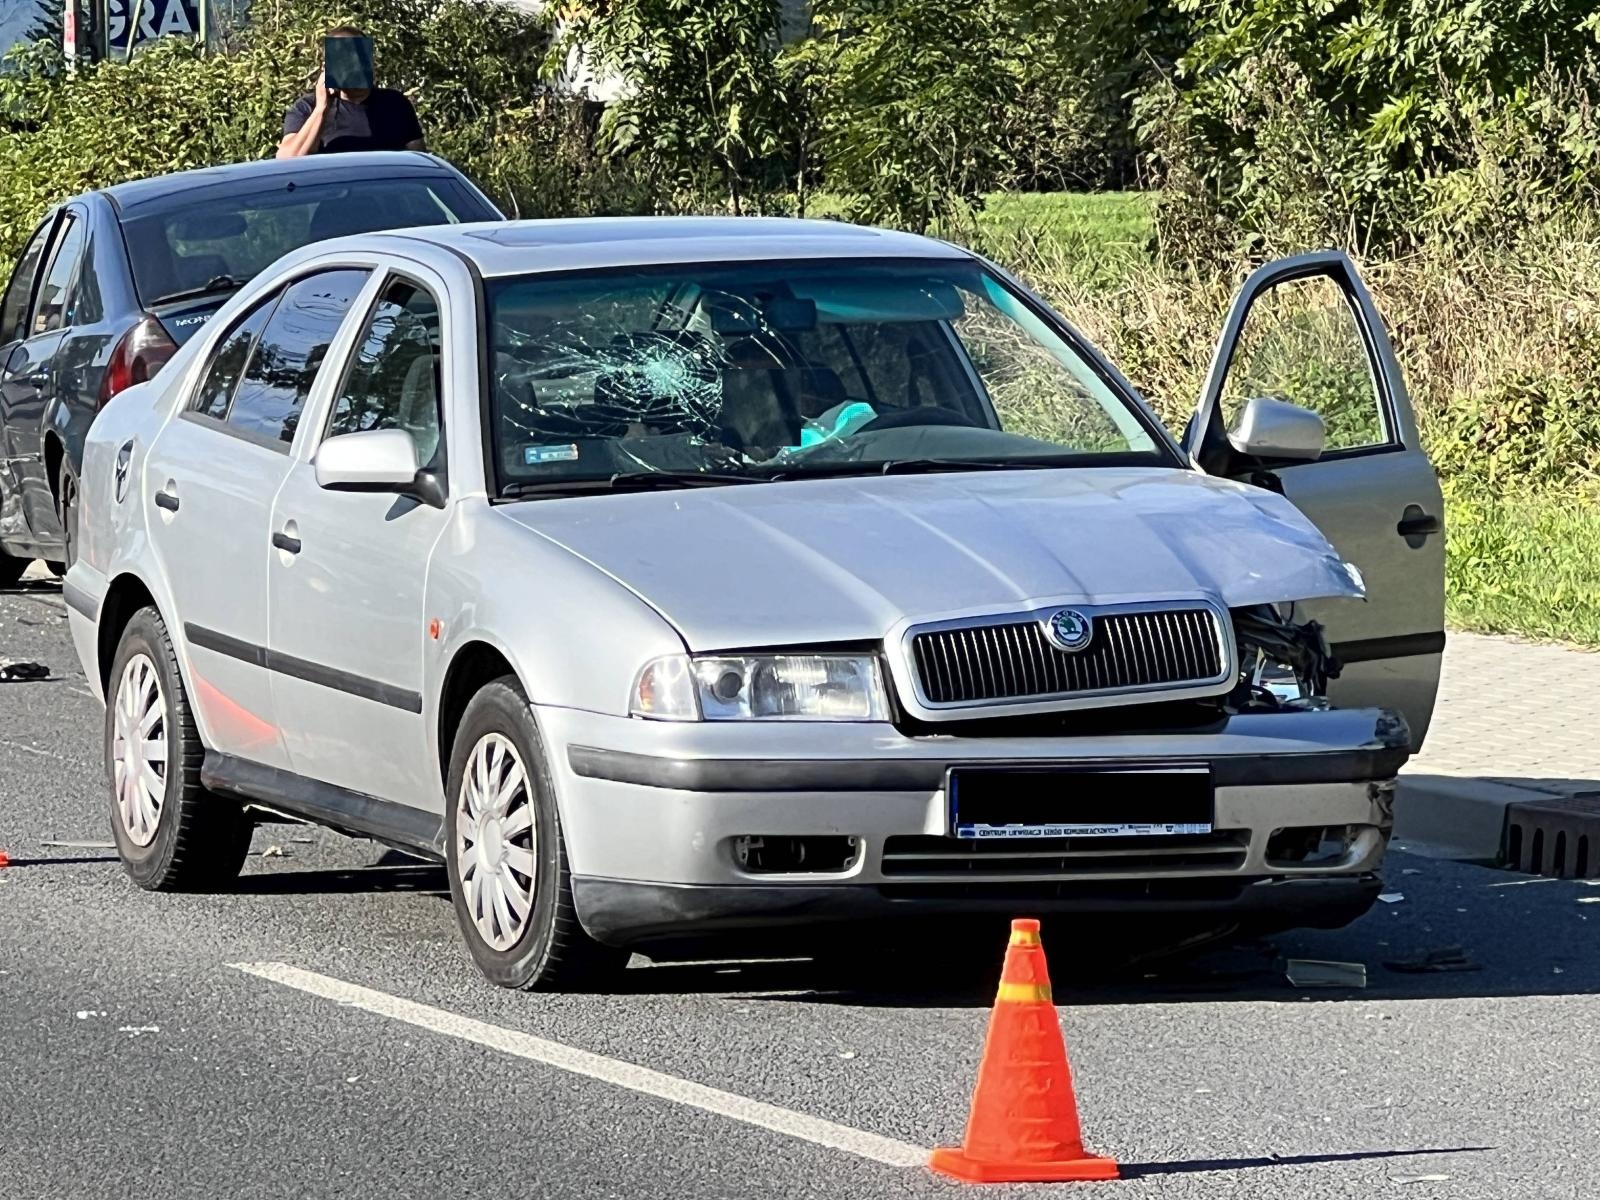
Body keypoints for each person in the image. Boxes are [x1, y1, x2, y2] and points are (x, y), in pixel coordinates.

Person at [276, 26, 426, 158]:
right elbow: (287, 160)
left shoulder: (395, 104)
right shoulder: (307, 108)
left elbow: (418, 162)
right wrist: (321, 109)